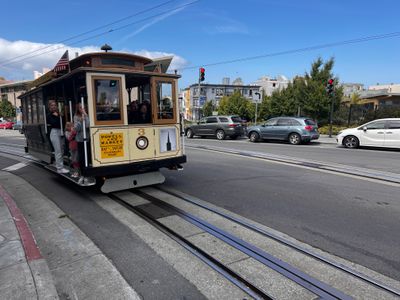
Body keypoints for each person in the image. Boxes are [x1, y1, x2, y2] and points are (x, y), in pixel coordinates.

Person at [73, 103, 95, 185]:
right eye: (80, 108)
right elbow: (76, 129)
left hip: (88, 139)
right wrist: (80, 121)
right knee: (81, 158)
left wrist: (86, 116)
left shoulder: (87, 116)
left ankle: (88, 175)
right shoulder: (76, 117)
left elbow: (88, 125)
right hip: (80, 140)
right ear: (78, 109)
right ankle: (82, 174)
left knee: (88, 157)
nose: (82, 109)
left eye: (83, 107)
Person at [46, 100, 69, 174]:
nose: (54, 106)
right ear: (49, 107)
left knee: (61, 150)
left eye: (55, 105)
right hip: (55, 132)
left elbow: (63, 122)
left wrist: (59, 116)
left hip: (61, 131)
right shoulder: (49, 115)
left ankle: (60, 166)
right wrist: (57, 117)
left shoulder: (59, 114)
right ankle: (59, 168)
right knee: (58, 150)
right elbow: (54, 123)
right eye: (52, 105)